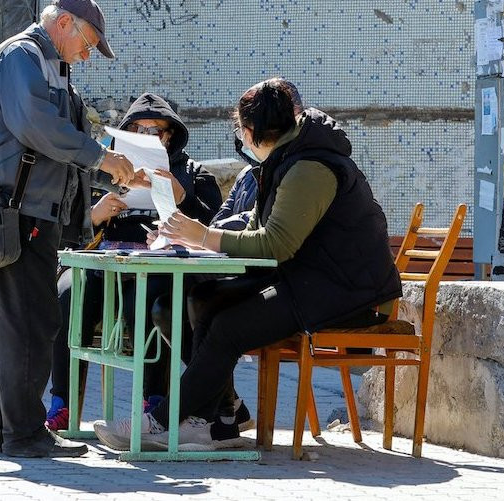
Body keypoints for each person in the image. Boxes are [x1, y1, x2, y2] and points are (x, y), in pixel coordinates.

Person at [92, 78, 403, 450]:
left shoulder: (311, 168)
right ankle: (216, 421)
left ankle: (162, 422)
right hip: (311, 281)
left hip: (349, 295)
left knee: (228, 327)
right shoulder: (288, 157)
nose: (239, 136)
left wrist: (203, 237)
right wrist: (189, 234)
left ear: (253, 131)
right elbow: (256, 221)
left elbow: (277, 243)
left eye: (240, 129)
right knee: (205, 299)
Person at [0, 0, 139, 458]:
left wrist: (109, 169)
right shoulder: (22, 54)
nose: (88, 54)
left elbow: (62, 138)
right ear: (64, 24)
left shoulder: (53, 66)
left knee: (11, 325)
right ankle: (25, 434)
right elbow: (36, 124)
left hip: (31, 211)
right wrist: (101, 157)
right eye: (89, 42)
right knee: (33, 322)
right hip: (17, 210)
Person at [46, 93, 223, 430]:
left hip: (157, 268)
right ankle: (63, 402)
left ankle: (153, 400)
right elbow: (66, 224)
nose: (147, 137)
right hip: (103, 263)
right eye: (138, 130)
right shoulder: (104, 172)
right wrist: (93, 215)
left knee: (144, 303)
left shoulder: (192, 174)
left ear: (170, 136)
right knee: (68, 294)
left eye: (155, 131)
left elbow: (214, 228)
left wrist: (180, 199)